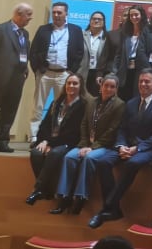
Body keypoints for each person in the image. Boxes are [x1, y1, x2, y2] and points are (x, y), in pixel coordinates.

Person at [89, 69, 152, 228]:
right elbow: (122, 129)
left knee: (133, 163)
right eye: (141, 81)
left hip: (150, 148)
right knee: (103, 162)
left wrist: (137, 148)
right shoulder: (131, 103)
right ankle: (114, 210)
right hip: (127, 146)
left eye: (147, 81)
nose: (143, 84)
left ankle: (107, 206)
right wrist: (121, 146)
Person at [53, 74, 125, 215]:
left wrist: (91, 148)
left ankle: (80, 197)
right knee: (69, 157)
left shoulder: (120, 105)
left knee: (89, 158)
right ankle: (63, 197)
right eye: (106, 85)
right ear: (101, 86)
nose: (108, 89)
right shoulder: (91, 102)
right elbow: (84, 124)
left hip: (104, 145)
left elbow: (112, 131)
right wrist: (85, 143)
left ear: (116, 89)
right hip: (86, 143)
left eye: (112, 87)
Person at [0, 3, 33, 153]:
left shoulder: (25, 34)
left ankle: (2, 142)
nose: (31, 18)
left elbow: (23, 54)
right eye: (28, 14)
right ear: (18, 14)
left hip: (17, 80)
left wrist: (25, 69)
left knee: (9, 112)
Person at [27, 72, 87, 205]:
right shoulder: (56, 102)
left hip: (69, 143)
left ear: (80, 86)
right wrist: (43, 141)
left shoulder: (83, 106)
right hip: (50, 141)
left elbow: (73, 133)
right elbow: (44, 126)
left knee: (53, 154)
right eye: (69, 83)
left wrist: (50, 143)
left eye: (75, 83)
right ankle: (46, 191)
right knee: (36, 153)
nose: (71, 86)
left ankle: (38, 190)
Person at [29, 1, 84, 140]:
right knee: (38, 106)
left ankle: (55, 135)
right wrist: (37, 70)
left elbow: (79, 52)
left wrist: (71, 71)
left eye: (59, 12)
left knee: (61, 106)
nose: (56, 15)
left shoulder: (75, 30)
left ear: (66, 13)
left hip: (64, 75)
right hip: (45, 73)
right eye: (54, 12)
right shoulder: (43, 29)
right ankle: (34, 136)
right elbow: (33, 51)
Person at [112, 5, 148, 102]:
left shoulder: (148, 32)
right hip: (124, 71)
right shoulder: (125, 32)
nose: (133, 17)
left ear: (142, 15)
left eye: (136, 15)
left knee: (137, 99)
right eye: (131, 15)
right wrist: (114, 72)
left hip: (140, 70)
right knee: (123, 98)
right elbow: (118, 55)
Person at [80, 11, 111, 98]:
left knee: (94, 99)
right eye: (94, 19)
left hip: (98, 74)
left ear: (104, 22)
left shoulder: (108, 38)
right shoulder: (81, 35)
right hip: (82, 71)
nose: (96, 21)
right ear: (90, 21)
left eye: (99, 19)